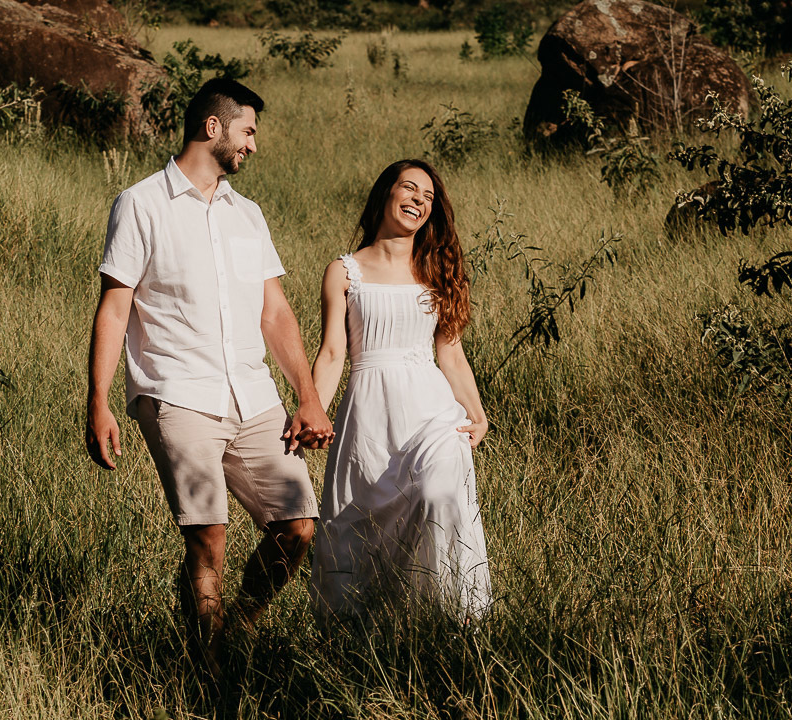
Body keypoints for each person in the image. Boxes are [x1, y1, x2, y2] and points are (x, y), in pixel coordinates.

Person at [84, 78, 333, 673]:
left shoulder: (247, 214)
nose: (253, 145)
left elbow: (275, 312)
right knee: (210, 534)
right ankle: (210, 665)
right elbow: (115, 307)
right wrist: (98, 401)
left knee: (298, 524)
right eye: (248, 131)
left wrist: (307, 397)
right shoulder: (141, 203)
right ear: (213, 127)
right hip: (175, 391)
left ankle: (237, 621)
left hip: (252, 395)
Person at [309, 159, 492, 622]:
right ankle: (375, 637)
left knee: (438, 491)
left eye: (428, 198)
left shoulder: (437, 270)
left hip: (432, 411)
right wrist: (311, 411)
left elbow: (450, 353)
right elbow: (332, 353)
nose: (418, 201)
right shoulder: (344, 271)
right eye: (409, 189)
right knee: (361, 528)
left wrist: (477, 412)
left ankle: (452, 619)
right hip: (369, 415)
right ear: (385, 194)